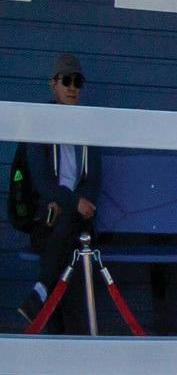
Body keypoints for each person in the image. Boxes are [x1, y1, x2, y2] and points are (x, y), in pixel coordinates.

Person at [12, 54, 100, 316]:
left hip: (77, 217)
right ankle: (58, 325)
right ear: (54, 84)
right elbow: (41, 181)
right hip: (47, 218)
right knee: (63, 236)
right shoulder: (39, 125)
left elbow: (93, 179)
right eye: (67, 81)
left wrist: (75, 204)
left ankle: (39, 292)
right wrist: (71, 202)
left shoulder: (88, 129)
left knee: (68, 226)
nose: (72, 87)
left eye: (78, 82)